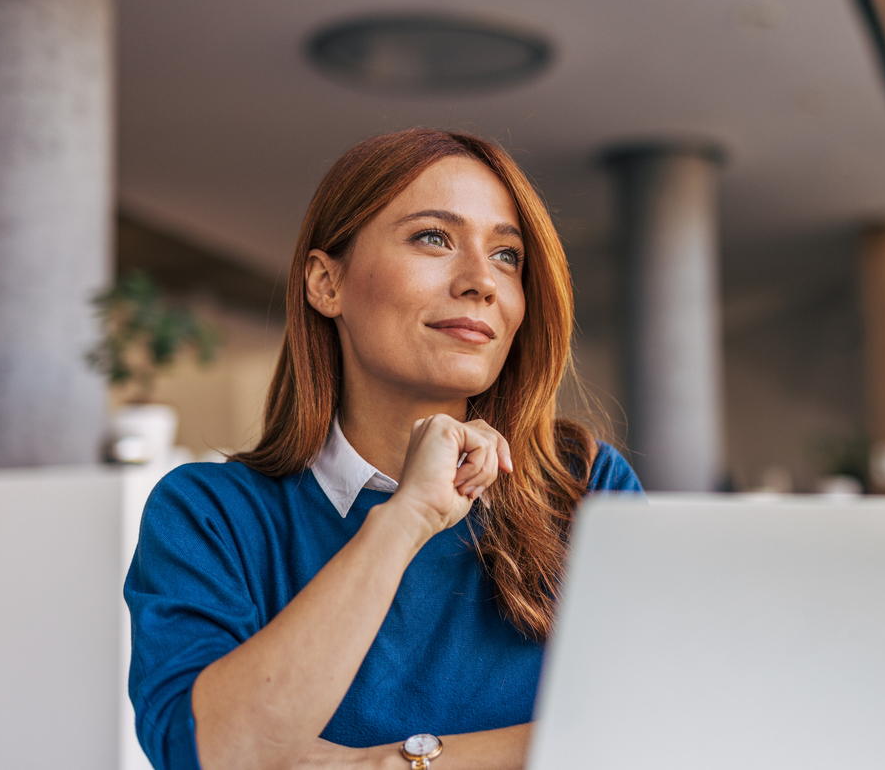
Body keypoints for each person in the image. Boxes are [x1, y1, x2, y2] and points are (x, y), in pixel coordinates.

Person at [124, 129, 643, 770]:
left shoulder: (582, 486)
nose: (482, 281)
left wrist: (381, 765)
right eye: (433, 237)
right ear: (326, 283)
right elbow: (212, 754)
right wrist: (404, 521)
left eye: (508, 256)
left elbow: (649, 727)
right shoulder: (211, 514)